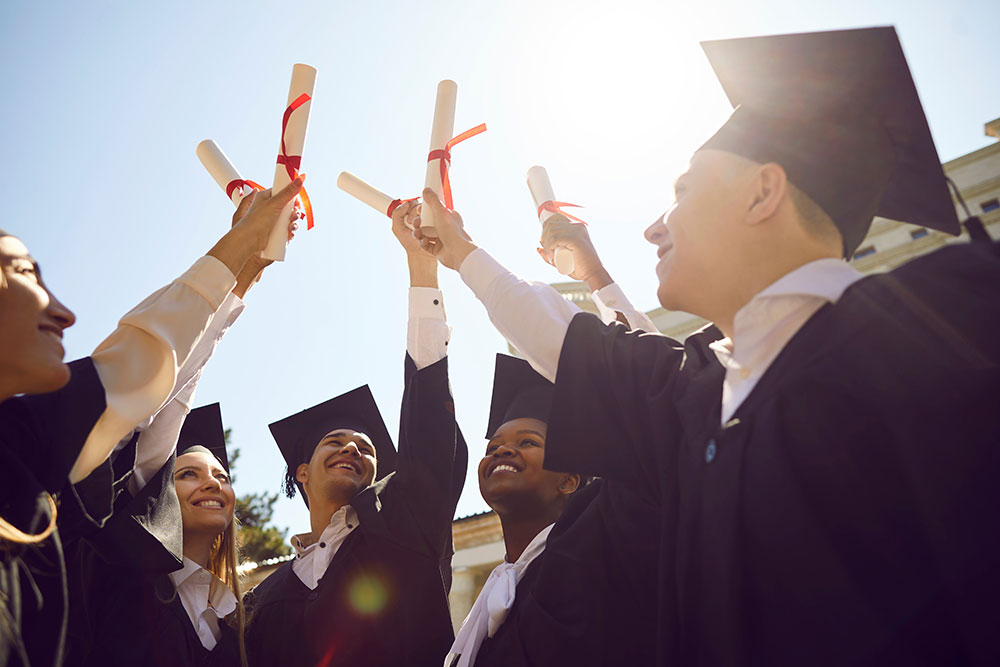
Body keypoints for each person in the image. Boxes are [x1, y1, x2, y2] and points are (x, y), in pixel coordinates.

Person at [416, 27, 1000, 665]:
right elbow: (575, 343)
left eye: (683, 190)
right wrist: (468, 253)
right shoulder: (703, 397)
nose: (654, 224)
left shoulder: (957, 322)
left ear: (763, 192)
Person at [0, 176, 304, 667]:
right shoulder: (21, 455)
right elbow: (137, 378)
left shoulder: (27, 494)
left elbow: (157, 396)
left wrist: (244, 269)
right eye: (25, 274)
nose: (66, 313)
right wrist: (241, 248)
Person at [242, 200, 466, 667]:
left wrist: (421, 266)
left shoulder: (403, 529)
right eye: (335, 442)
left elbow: (428, 425)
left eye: (365, 447)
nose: (352, 447)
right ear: (300, 472)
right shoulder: (263, 599)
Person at [446, 354, 659, 667]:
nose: (502, 450)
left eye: (529, 442)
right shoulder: (494, 597)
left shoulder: (597, 551)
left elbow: (647, 455)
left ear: (569, 481)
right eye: (492, 447)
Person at [68, 404, 244, 666]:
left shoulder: (233, 620)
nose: (214, 483)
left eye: (222, 477)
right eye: (188, 474)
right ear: (161, 493)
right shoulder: (120, 584)